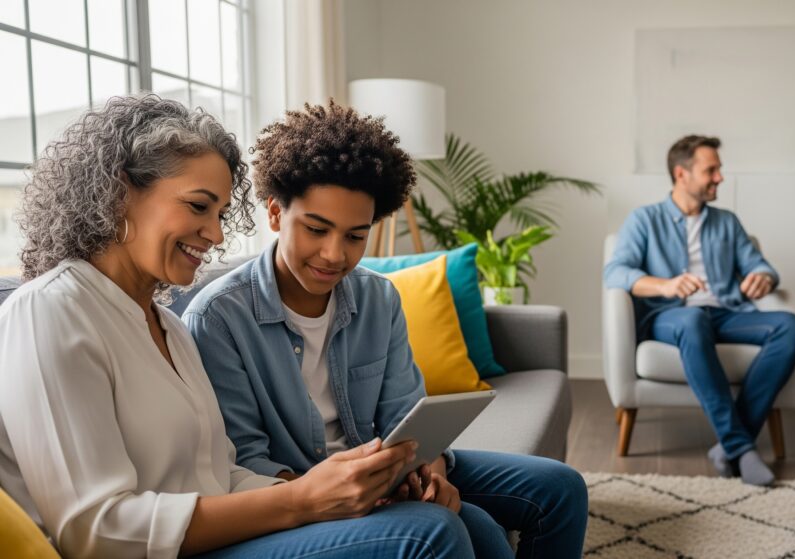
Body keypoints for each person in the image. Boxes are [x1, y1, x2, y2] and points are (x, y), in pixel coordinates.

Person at [0, 95, 472, 559]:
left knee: (475, 530)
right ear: (121, 193)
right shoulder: (48, 312)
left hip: (227, 534)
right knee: (428, 533)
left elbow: (222, 472)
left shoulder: (167, 326)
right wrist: (300, 500)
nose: (217, 234)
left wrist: (326, 491)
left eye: (220, 213)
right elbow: (93, 532)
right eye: (198, 206)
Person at [183, 100, 589, 558]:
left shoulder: (379, 298)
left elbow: (405, 416)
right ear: (276, 215)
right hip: (298, 490)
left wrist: (431, 472)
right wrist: (346, 493)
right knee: (476, 531)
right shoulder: (217, 318)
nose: (335, 254)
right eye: (317, 229)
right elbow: (243, 460)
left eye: (355, 236)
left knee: (560, 488)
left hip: (385, 469)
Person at [603, 135, 795, 486]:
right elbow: (616, 272)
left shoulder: (727, 222)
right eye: (711, 170)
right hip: (670, 316)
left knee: (792, 325)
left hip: (726, 312)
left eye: (719, 169)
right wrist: (664, 285)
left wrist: (762, 277)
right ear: (682, 174)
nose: (720, 178)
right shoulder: (645, 219)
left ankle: (730, 445)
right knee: (693, 319)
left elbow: (762, 266)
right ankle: (742, 447)